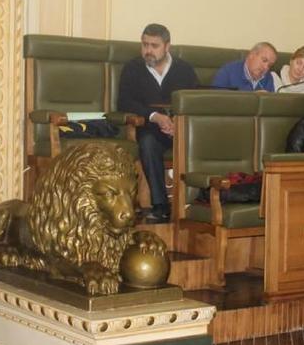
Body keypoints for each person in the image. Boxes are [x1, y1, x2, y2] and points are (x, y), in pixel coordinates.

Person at [117, 23, 199, 222]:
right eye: (145, 45)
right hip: (150, 128)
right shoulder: (133, 68)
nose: (148, 51)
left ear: (167, 46)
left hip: (181, 129)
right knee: (148, 143)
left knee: (204, 140)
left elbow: (195, 102)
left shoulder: (184, 70)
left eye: (154, 46)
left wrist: (178, 125)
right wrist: (155, 116)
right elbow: (124, 102)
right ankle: (161, 205)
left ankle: (198, 203)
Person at [211, 42, 277, 92]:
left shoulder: (268, 77)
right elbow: (217, 102)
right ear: (251, 55)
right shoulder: (227, 72)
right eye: (264, 60)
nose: (266, 67)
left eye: (270, 65)